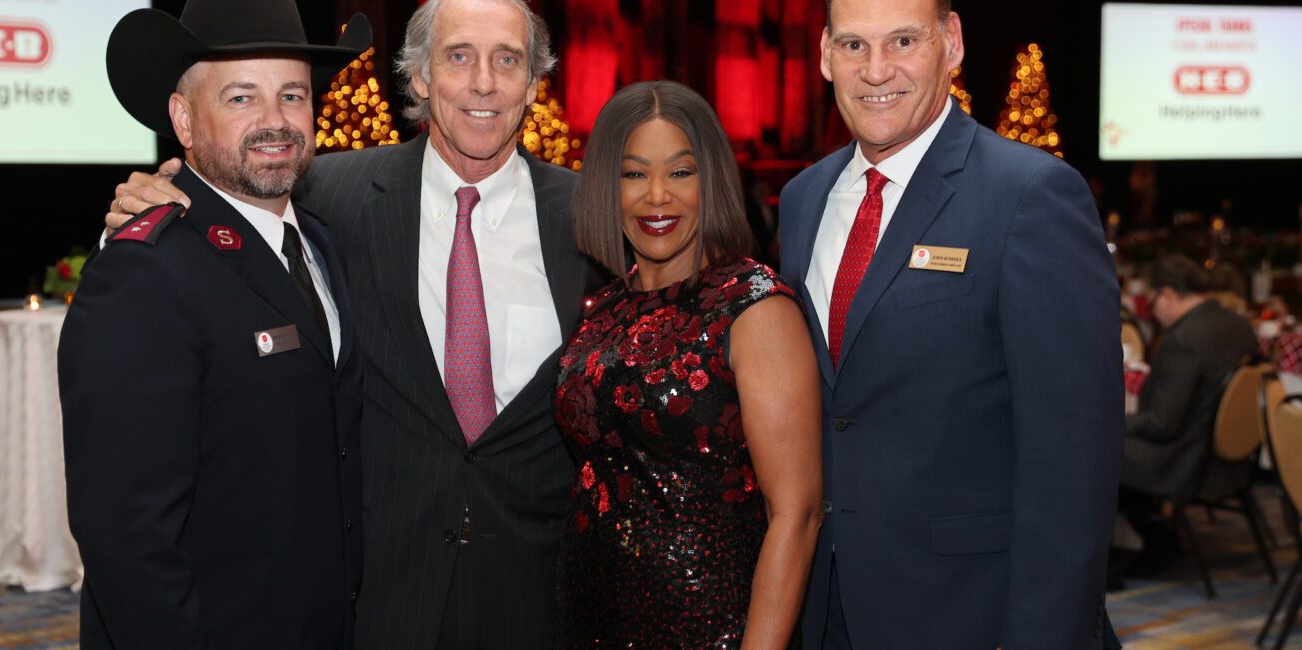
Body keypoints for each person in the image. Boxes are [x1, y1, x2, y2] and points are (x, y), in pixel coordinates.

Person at [103, 1, 595, 646]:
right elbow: (231, 185)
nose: (484, 82)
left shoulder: (592, 218)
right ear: (418, 77)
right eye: (457, 57)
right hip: (377, 596)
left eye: (508, 60)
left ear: (534, 82)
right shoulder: (331, 193)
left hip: (539, 595)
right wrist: (157, 193)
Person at [778, 0, 1124, 647]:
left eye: (902, 41)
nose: (876, 71)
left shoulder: (1032, 196)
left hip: (972, 616)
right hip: (826, 608)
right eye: (854, 46)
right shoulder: (803, 201)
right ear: (825, 55)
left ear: (952, 42)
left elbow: (1072, 470)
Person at [58, 2, 368, 648]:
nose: (275, 121)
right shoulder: (143, 274)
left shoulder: (322, 248)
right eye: (240, 97)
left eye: (292, 94)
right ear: (184, 120)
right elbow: (128, 540)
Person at [554, 81, 822, 648]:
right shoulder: (602, 308)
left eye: (680, 173)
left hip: (712, 632)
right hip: (589, 624)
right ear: (607, 184)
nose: (657, 197)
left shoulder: (754, 306)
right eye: (633, 174)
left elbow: (796, 513)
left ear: (713, 181)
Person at [1119, 254, 1259, 568]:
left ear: (1167, 295)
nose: (1152, 313)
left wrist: (1108, 423)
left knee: (1093, 447)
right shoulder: (1238, 325)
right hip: (1231, 459)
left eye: (1152, 303)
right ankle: (1158, 538)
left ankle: (1150, 545)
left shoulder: (1184, 339)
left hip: (1188, 462)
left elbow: (1161, 424)